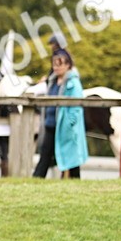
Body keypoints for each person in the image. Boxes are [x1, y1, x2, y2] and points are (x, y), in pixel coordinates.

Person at [32, 49, 86, 179]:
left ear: (68, 65)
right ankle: (36, 180)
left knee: (71, 159)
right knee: (45, 156)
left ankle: (75, 182)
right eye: (54, 64)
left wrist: (69, 123)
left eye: (59, 64)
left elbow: (77, 106)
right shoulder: (52, 82)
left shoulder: (73, 83)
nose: (56, 67)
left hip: (64, 127)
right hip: (50, 125)